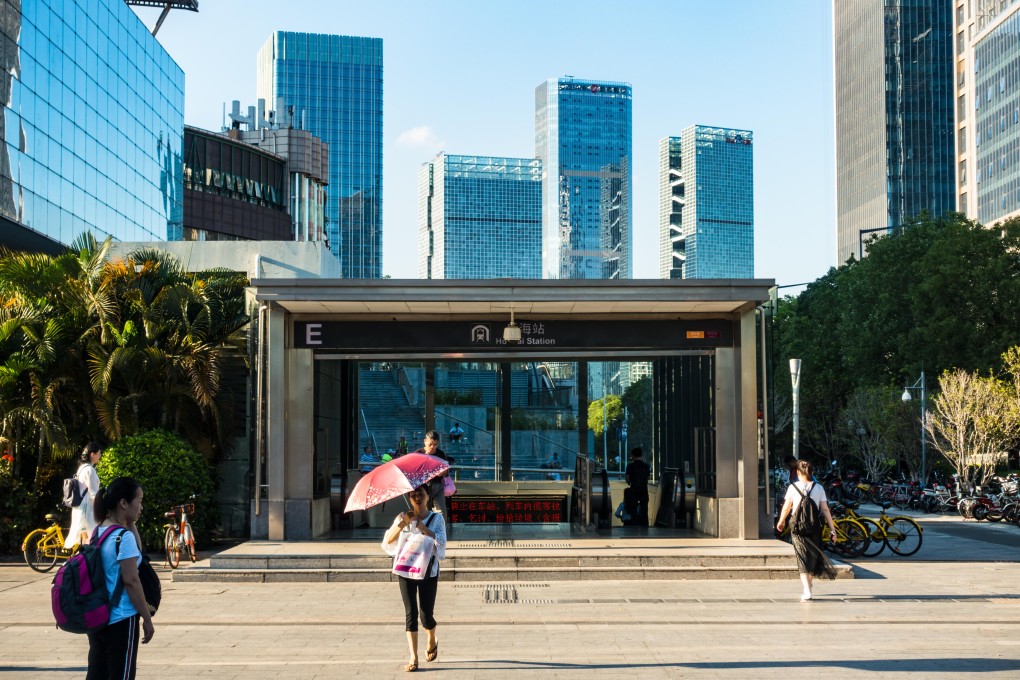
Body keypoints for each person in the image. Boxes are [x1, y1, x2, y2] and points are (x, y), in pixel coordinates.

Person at [88, 477, 155, 679]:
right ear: (124, 503)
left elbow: (138, 552)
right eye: (139, 500)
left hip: (99, 617)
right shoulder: (122, 538)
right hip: (122, 619)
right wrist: (146, 617)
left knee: (98, 674)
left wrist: (130, 522)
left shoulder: (99, 532)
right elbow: (132, 581)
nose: (141, 506)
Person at [382, 484, 447, 672]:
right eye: (413, 495)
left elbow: (441, 542)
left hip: (427, 571)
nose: (417, 498)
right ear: (409, 498)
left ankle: (432, 638)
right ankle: (413, 657)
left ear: (428, 496)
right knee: (410, 614)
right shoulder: (403, 517)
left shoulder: (436, 518)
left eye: (420, 494)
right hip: (405, 569)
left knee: (426, 615)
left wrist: (423, 527)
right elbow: (388, 542)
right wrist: (403, 523)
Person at [775, 459, 838, 601]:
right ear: (812, 472)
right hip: (815, 527)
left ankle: (807, 589)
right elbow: (826, 509)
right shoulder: (819, 488)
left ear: (798, 472)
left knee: (802, 557)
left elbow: (786, 507)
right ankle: (809, 587)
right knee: (812, 556)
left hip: (798, 527)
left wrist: (781, 521)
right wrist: (833, 530)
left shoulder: (793, 487)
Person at [65, 442, 102, 549]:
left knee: (86, 541)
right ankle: (86, 563)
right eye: (98, 453)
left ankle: (83, 562)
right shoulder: (90, 470)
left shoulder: (81, 468)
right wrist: (102, 508)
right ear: (92, 454)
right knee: (92, 540)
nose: (99, 456)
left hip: (80, 509)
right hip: (88, 511)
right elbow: (93, 494)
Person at [415, 431, 452, 528]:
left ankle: (440, 531)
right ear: (425, 442)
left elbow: (446, 470)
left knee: (441, 511)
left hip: (437, 485)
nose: (432, 447)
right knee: (424, 511)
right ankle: (425, 532)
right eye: (430, 444)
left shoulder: (440, 453)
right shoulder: (418, 454)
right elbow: (415, 470)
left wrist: (442, 472)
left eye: (435, 444)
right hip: (423, 487)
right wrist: (426, 456)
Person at [624, 447, 650, 526]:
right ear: (641, 455)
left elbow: (627, 479)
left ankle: (634, 524)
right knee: (644, 509)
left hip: (633, 490)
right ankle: (644, 525)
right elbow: (648, 478)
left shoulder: (630, 466)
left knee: (633, 509)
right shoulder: (646, 466)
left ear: (633, 456)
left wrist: (630, 482)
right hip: (643, 490)